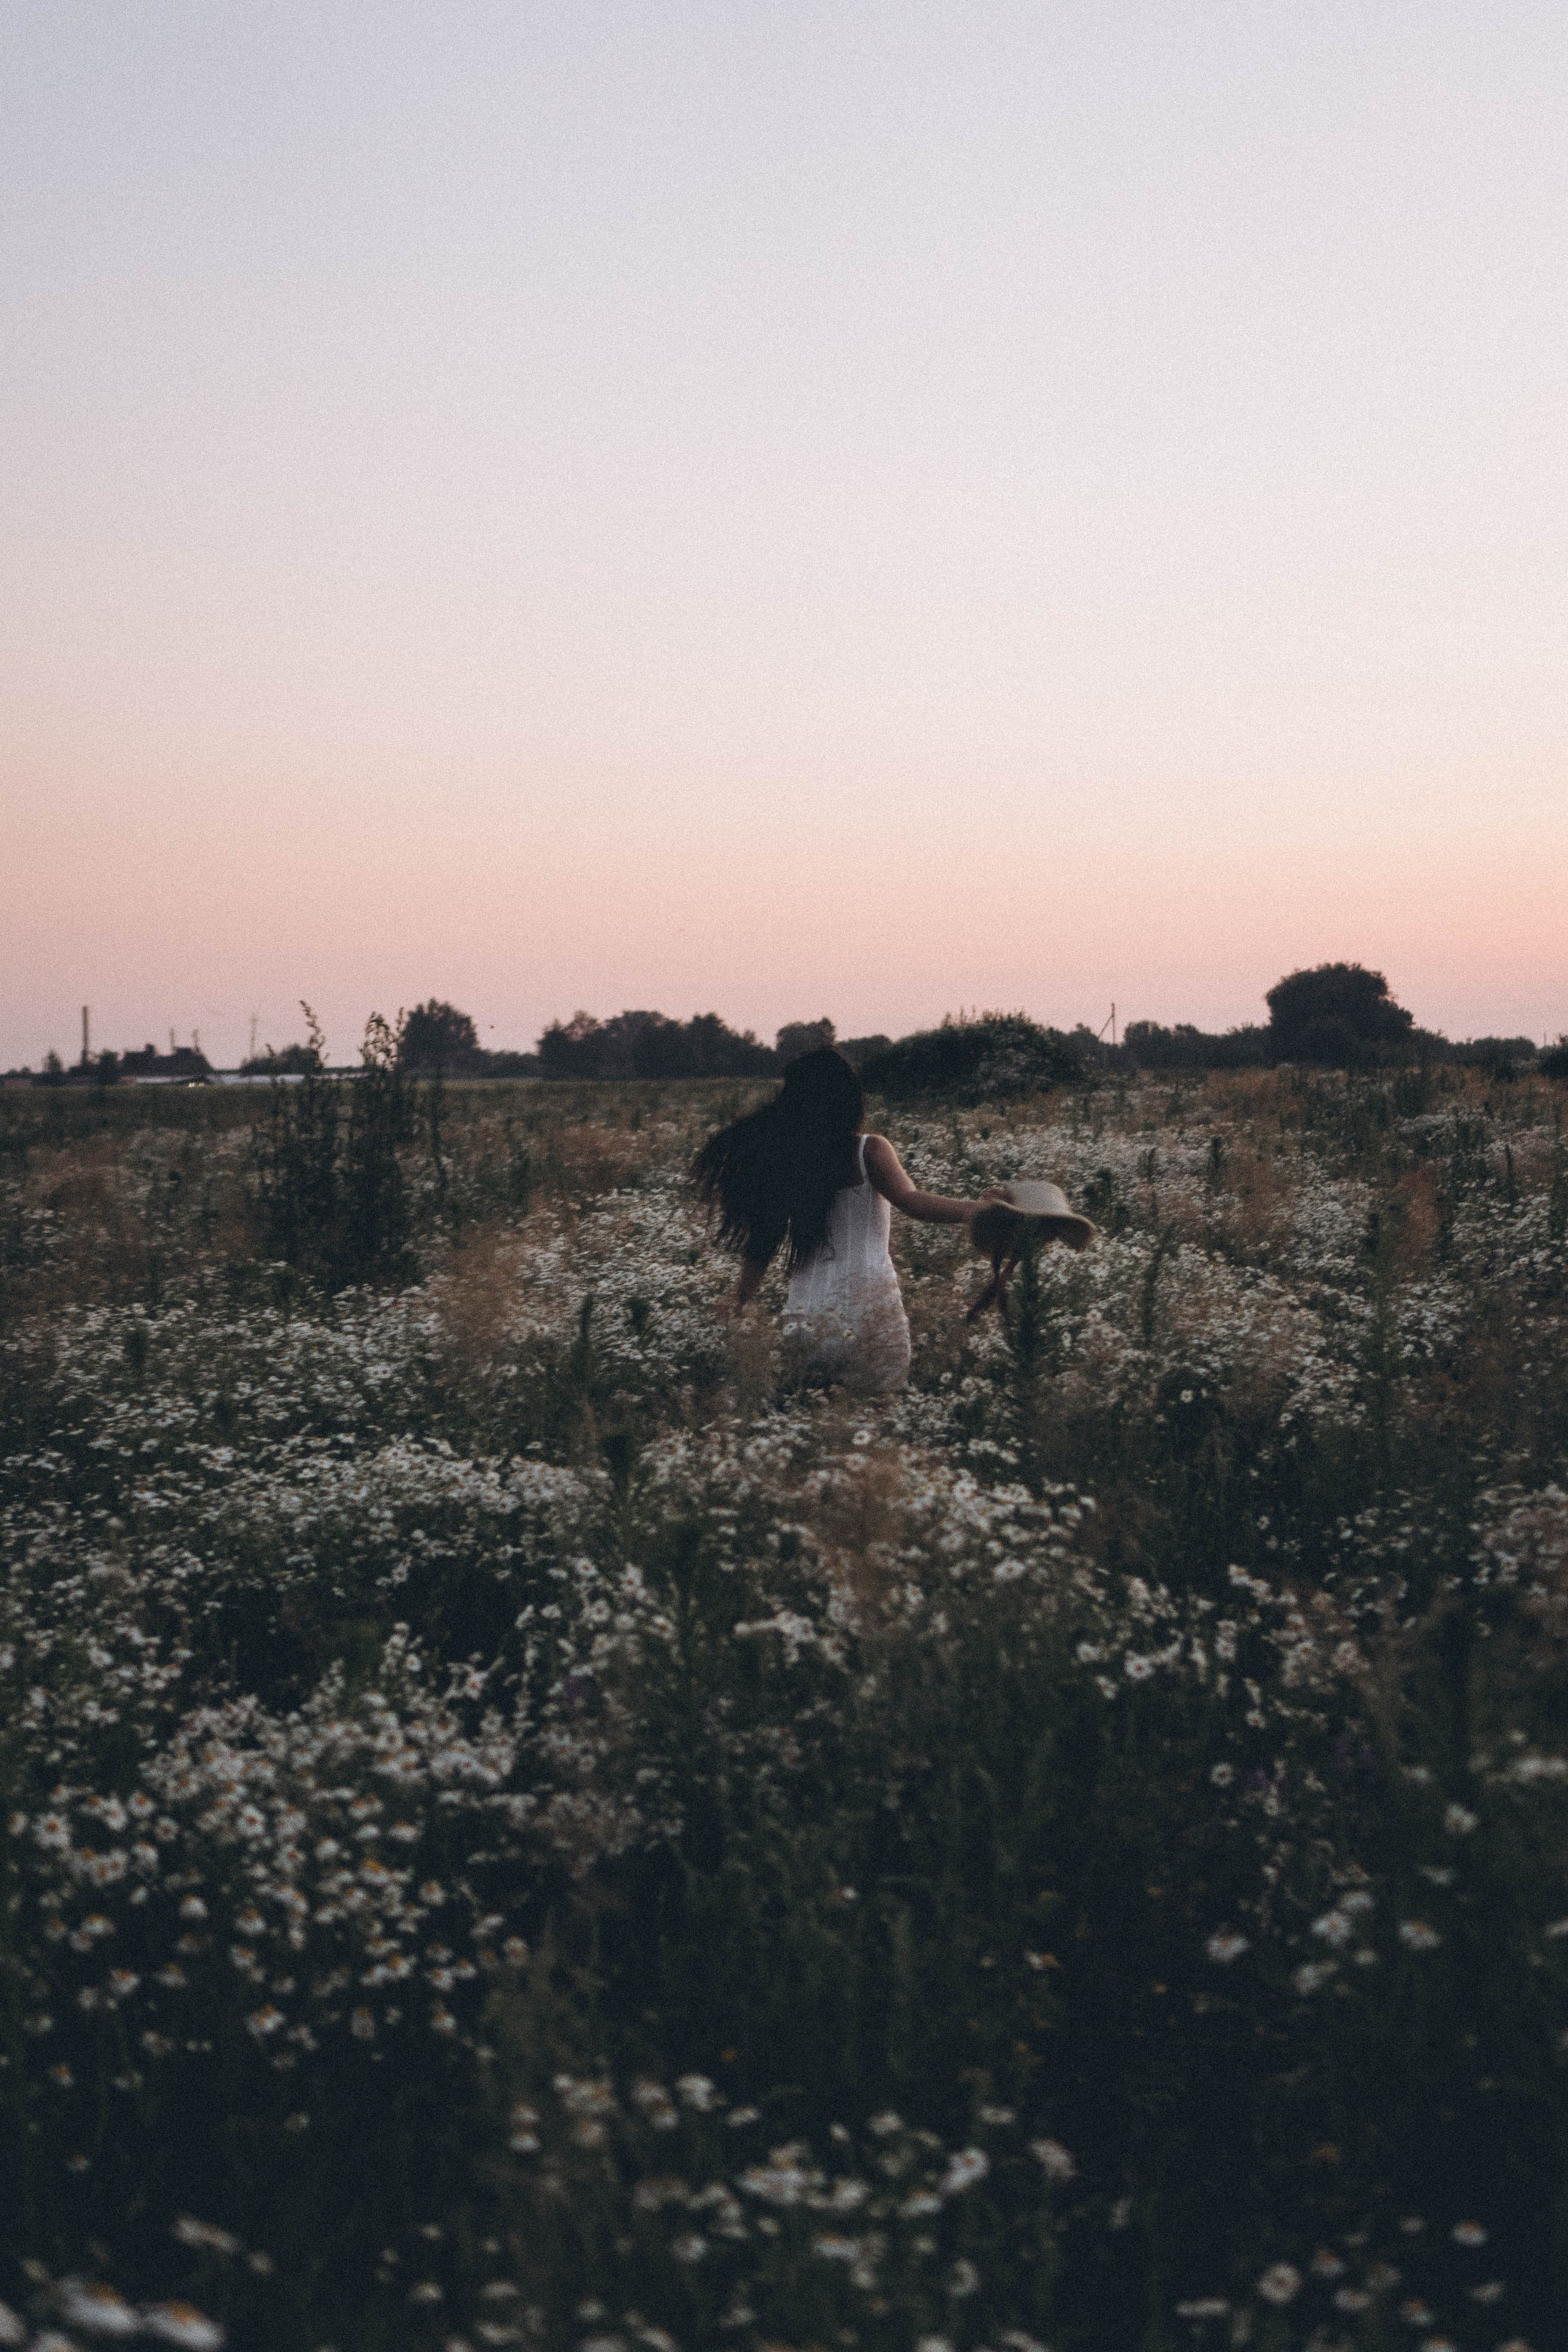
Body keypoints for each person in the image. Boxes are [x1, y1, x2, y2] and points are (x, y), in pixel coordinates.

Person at [691, 1046, 1001, 1394]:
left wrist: (739, 1305)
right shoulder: (868, 1150)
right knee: (879, 1418)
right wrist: (980, 1210)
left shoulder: (789, 1162)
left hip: (805, 1316)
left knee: (811, 1423)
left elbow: (762, 1244)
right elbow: (913, 1203)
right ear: (849, 1097)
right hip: (868, 1313)